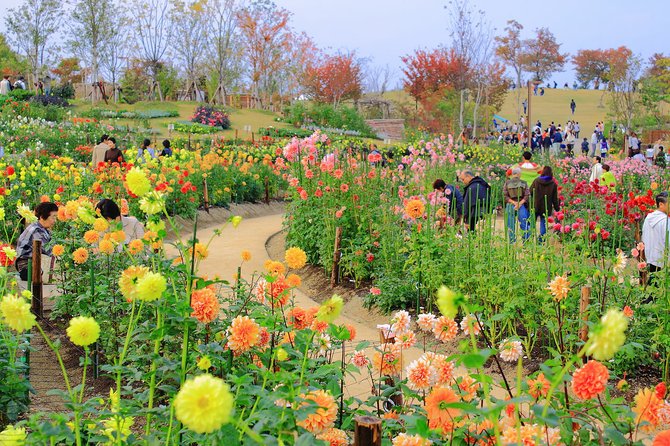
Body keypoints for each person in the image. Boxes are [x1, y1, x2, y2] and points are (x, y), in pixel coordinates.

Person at [15, 202, 59, 281]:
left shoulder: (43, 229)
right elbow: (49, 251)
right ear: (42, 217)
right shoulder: (36, 230)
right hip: (27, 268)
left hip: (37, 264)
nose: (55, 221)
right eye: (53, 217)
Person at [641, 192, 670, 291]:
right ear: (661, 204)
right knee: (660, 289)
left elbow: (644, 237)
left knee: (654, 287)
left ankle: (644, 303)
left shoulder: (648, 218)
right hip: (664, 260)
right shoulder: (665, 221)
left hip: (652, 258)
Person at [530, 166, 559, 242]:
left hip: (536, 205)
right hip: (546, 206)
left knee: (532, 223)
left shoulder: (536, 181)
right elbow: (554, 198)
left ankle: (529, 239)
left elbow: (530, 192)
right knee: (543, 224)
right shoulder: (553, 184)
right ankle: (541, 240)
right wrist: (557, 208)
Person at [503, 167, 530, 242]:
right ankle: (526, 241)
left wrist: (514, 202)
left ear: (512, 174)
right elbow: (527, 195)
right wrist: (519, 203)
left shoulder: (507, 183)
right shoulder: (524, 183)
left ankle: (512, 242)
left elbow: (505, 196)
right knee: (524, 223)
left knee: (510, 224)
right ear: (519, 174)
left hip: (510, 205)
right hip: (521, 205)